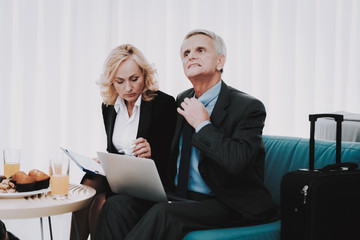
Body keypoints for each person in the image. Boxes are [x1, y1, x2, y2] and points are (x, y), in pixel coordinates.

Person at [95, 29, 279, 240]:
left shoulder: (248, 107)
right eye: (186, 53)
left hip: (225, 203)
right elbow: (169, 156)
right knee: (116, 205)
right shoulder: (182, 100)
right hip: (179, 197)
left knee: (164, 214)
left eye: (200, 50)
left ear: (220, 61)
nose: (191, 55)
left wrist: (203, 124)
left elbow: (238, 161)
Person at [70, 44, 177, 240]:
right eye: (120, 82)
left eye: (134, 79)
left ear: (144, 75)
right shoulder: (109, 107)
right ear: (111, 82)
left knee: (101, 202)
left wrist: (151, 152)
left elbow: (171, 160)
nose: (128, 88)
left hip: (147, 183)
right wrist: (104, 161)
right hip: (120, 178)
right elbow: (113, 149)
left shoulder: (163, 104)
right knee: (88, 185)